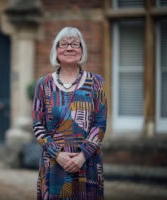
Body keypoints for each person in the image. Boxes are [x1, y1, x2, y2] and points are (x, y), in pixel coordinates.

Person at [32, 26, 107, 200]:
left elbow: (100, 123)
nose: (69, 48)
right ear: (56, 50)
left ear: (82, 50)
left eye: (75, 44)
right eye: (64, 44)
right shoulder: (43, 84)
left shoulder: (96, 82)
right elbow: (37, 125)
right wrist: (57, 154)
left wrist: (82, 156)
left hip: (87, 164)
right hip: (53, 164)